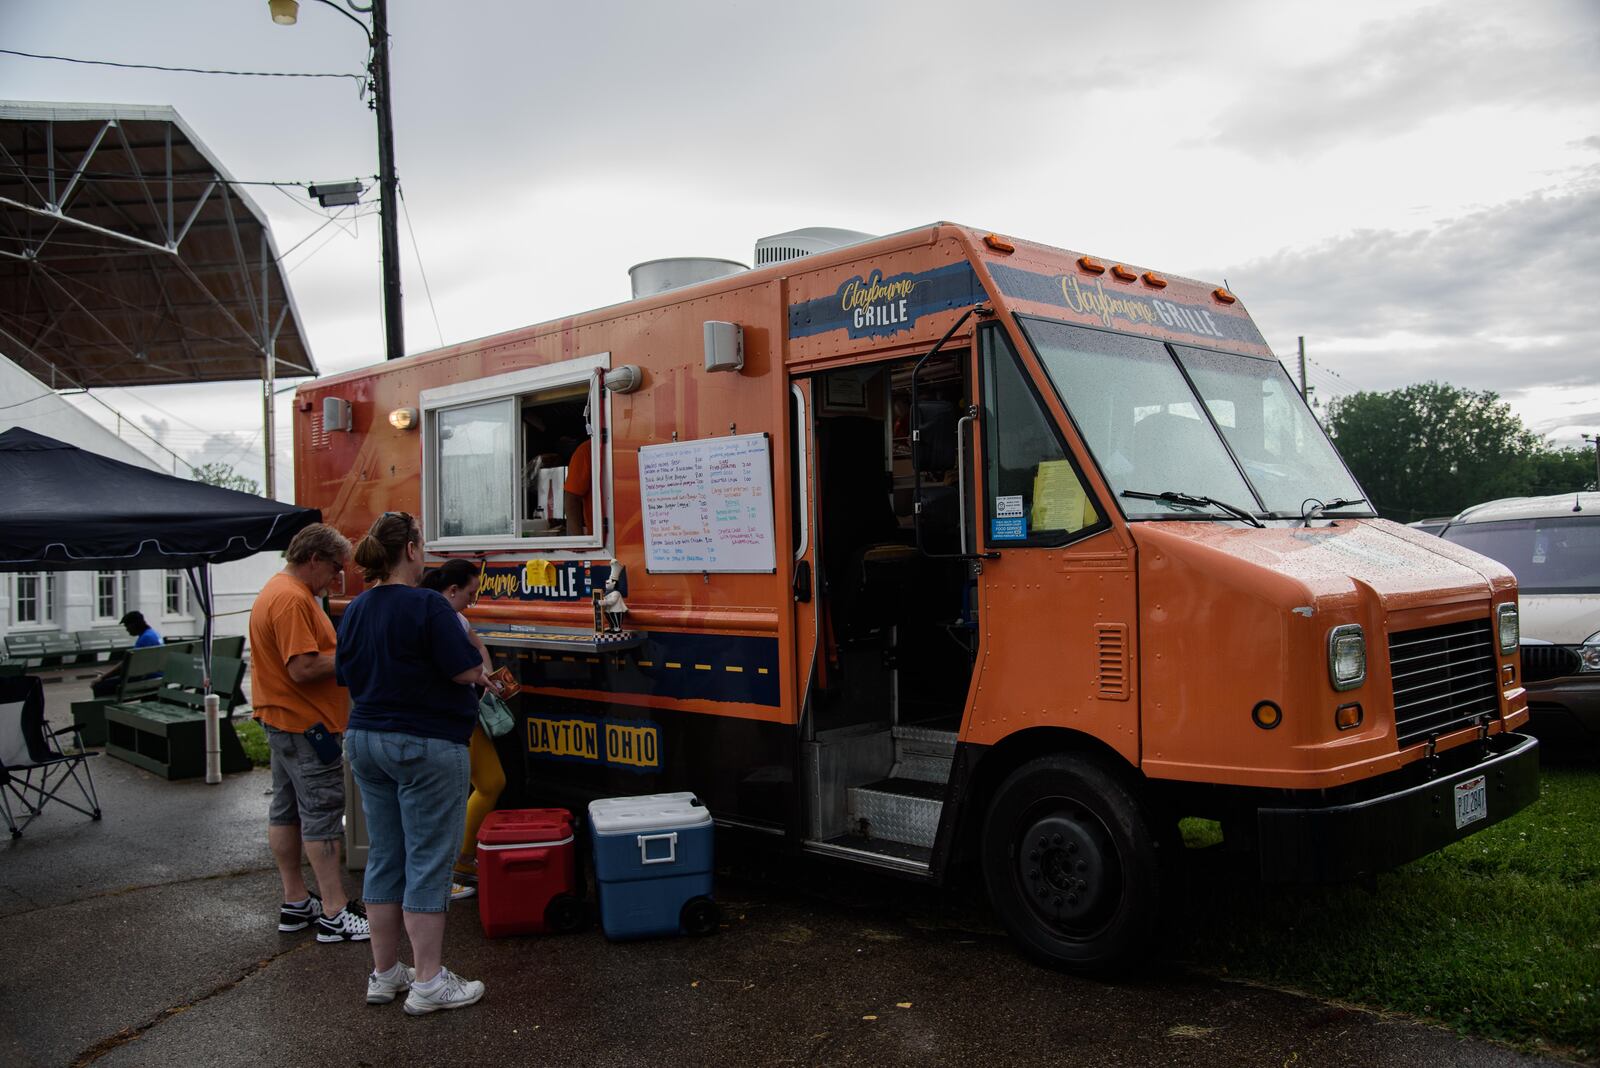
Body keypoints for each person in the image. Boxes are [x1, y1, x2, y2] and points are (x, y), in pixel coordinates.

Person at [337, 512, 490, 1014]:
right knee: (428, 859)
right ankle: (428, 982)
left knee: (386, 855)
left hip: (365, 738)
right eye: (422, 541)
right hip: (424, 741)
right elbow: (465, 669)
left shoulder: (358, 607)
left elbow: (346, 672)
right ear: (410, 550)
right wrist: (481, 664)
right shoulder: (428, 603)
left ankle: (384, 975)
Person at [248, 523, 369, 943]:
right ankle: (335, 911)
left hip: (283, 719)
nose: (337, 579)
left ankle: (296, 902)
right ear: (314, 559)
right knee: (321, 813)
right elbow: (301, 668)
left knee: (286, 811)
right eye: (335, 569)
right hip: (305, 724)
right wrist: (355, 659)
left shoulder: (277, 591)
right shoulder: (292, 600)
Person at [419, 559, 506, 901]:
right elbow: (456, 668)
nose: (473, 599)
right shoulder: (440, 619)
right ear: (452, 590)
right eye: (470, 592)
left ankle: (461, 860)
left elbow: (478, 648)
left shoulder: (454, 617)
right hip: (447, 719)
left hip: (462, 715)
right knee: (456, 793)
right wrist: (478, 676)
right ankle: (453, 866)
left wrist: (486, 677)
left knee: (490, 782)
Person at [90, 611, 164, 698]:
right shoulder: (153, 634)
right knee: (110, 680)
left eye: (127, 626)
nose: (127, 629)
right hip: (158, 675)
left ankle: (106, 710)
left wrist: (103, 677)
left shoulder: (145, 638)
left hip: (148, 677)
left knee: (99, 685)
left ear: (134, 624)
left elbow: (126, 664)